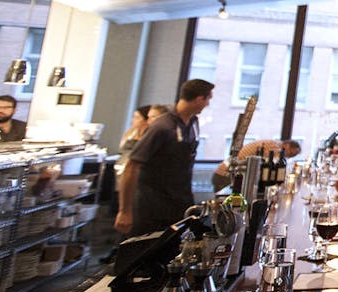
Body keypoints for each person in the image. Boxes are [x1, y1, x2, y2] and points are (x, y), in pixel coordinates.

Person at [114, 79, 213, 235]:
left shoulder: (193, 123)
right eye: (208, 99)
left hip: (179, 201)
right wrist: (124, 211)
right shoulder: (162, 127)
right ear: (199, 99)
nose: (207, 104)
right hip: (153, 205)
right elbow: (132, 166)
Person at [210, 138, 300, 192]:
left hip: (227, 174)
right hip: (226, 175)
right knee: (224, 211)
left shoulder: (272, 144)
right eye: (291, 153)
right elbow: (274, 169)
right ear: (287, 145)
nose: (289, 156)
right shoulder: (275, 147)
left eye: (293, 155)